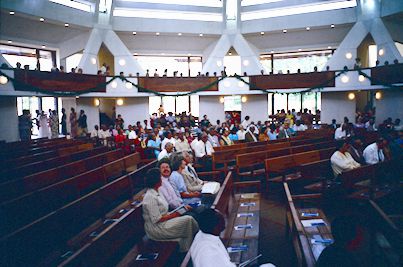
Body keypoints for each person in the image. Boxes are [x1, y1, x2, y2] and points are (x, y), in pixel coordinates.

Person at [142, 168, 198, 252]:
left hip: (164, 221)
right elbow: (157, 219)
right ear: (156, 180)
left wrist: (180, 210)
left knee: (189, 219)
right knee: (187, 220)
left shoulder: (158, 191)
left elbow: (164, 212)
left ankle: (195, 241)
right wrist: (176, 214)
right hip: (157, 228)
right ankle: (187, 250)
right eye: (160, 177)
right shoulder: (150, 197)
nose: (161, 179)